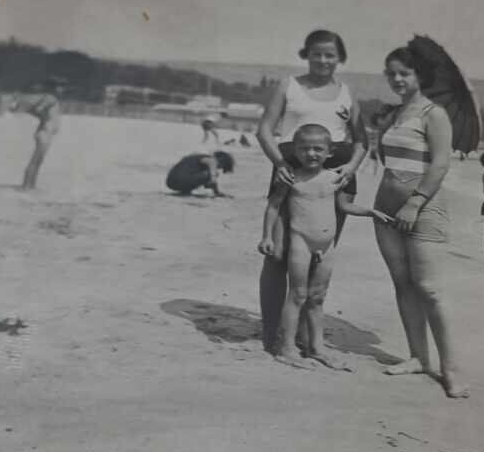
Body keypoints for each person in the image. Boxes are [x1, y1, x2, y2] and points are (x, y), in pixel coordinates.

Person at [256, 30, 366, 353]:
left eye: (330, 55)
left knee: (318, 257)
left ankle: (304, 335)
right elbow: (264, 130)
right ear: (306, 54)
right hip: (291, 170)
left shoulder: (347, 93)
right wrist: (279, 164)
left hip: (336, 177)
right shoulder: (288, 86)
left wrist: (351, 168)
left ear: (339, 58)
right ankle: (270, 331)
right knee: (277, 255)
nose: (323, 60)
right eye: (316, 53)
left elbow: (362, 140)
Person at [372, 46, 467, 398]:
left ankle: (451, 369)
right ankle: (417, 357)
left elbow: (440, 165)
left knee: (429, 289)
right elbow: (387, 158)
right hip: (384, 207)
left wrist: (414, 204)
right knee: (403, 285)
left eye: (404, 73)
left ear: (419, 76)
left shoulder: (434, 113)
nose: (397, 79)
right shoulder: (395, 113)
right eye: (391, 73)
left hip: (422, 208)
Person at [258, 124, 391, 370]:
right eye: (304, 149)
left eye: (318, 149)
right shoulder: (291, 177)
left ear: (329, 152)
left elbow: (344, 207)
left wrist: (369, 211)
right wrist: (267, 237)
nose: (311, 154)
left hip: (327, 245)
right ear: (295, 151)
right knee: (297, 294)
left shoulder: (335, 178)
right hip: (301, 242)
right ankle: (286, 347)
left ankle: (316, 347)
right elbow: (274, 206)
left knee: (317, 297)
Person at [19, 81, 63, 191]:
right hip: (45, 132)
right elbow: (39, 108)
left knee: (37, 161)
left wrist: (42, 116)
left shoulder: (49, 98)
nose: (62, 90)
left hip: (44, 131)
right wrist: (43, 116)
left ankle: (30, 185)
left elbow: (34, 110)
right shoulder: (51, 98)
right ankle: (26, 185)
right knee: (36, 160)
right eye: (60, 87)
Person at [165, 150, 235, 196]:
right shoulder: (212, 160)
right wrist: (214, 183)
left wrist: (214, 190)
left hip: (170, 181)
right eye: (221, 167)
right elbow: (212, 164)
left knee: (207, 174)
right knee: (213, 174)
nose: (219, 168)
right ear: (222, 161)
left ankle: (185, 192)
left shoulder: (198, 156)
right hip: (181, 180)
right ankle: (186, 192)